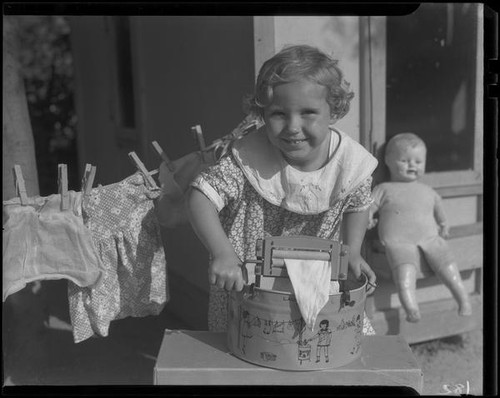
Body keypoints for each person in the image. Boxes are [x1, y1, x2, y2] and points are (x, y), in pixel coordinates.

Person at [187, 44, 378, 333]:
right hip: (249, 287)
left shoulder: (350, 163)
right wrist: (223, 253)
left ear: (334, 111)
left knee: (328, 347)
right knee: (247, 359)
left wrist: (352, 250)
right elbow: (200, 196)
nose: (292, 126)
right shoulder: (246, 159)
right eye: (278, 114)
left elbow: (358, 203)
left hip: (318, 284)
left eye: (308, 112)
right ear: (262, 113)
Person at [368, 133, 472, 322]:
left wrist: (444, 224)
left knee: (449, 267)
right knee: (405, 272)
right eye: (405, 160)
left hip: (430, 239)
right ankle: (411, 307)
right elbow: (369, 207)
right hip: (398, 242)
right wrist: (368, 219)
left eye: (418, 161)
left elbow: (440, 212)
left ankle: (463, 299)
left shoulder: (428, 191)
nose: (412, 165)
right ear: (388, 161)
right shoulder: (384, 189)